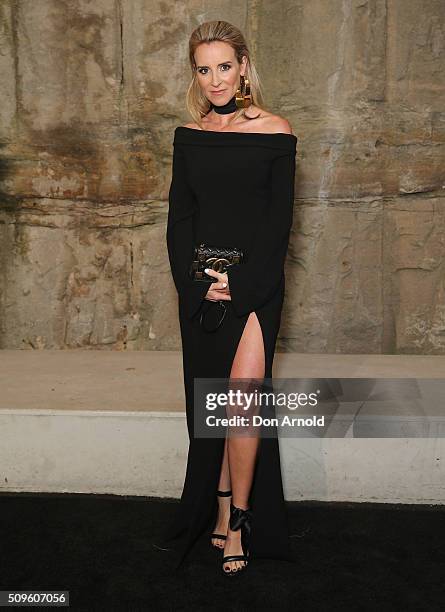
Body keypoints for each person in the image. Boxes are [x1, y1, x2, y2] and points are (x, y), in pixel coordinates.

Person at [162, 19, 297, 576]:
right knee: (213, 404)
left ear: (243, 66)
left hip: (256, 286)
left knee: (241, 399)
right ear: (194, 74)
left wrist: (239, 286)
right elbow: (180, 222)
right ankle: (217, 510)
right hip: (200, 287)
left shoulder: (276, 130)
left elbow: (278, 225)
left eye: (224, 66)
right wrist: (200, 283)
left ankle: (241, 517)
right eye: (203, 68)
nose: (215, 79)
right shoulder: (189, 136)